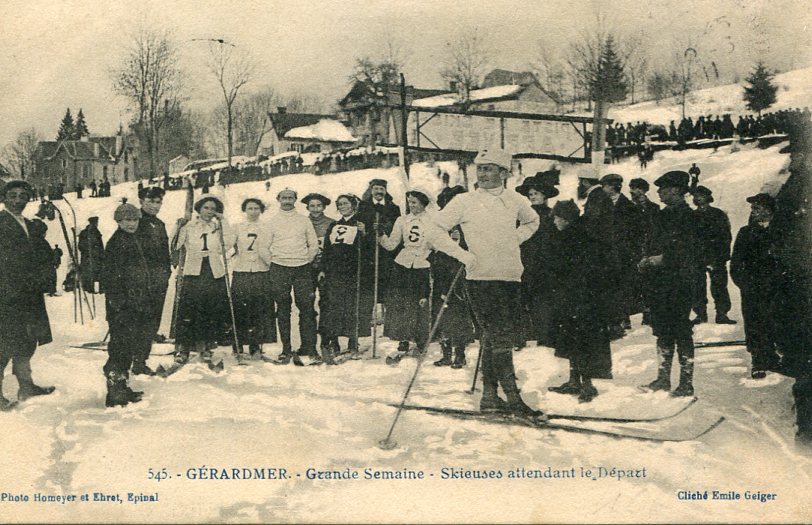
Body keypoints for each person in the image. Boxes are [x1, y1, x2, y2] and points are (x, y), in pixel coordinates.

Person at [432, 149, 543, 419]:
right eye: (480, 168)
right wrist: (463, 255)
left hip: (510, 276)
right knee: (500, 335)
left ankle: (490, 396)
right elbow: (434, 230)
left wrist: (513, 240)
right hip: (480, 278)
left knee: (496, 337)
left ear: (504, 173)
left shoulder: (515, 200)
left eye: (489, 168)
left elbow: (533, 221)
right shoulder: (464, 201)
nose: (482, 174)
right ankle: (512, 397)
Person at [638, 170, 700, 397]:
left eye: (663, 188)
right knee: (662, 329)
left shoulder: (690, 217)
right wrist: (646, 259)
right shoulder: (662, 216)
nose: (659, 192)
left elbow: (689, 250)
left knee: (681, 329)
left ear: (676, 190)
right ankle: (663, 378)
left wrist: (663, 259)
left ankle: (686, 382)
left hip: (680, 282)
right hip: (659, 282)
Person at [547, 199, 612, 402]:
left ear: (566, 219)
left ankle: (587, 385)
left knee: (583, 342)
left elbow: (584, 269)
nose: (555, 222)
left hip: (582, 299)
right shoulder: (567, 236)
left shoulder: (578, 238)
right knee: (572, 340)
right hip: (571, 298)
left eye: (557, 218)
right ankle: (574, 380)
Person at [0, 181, 55, 410]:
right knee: (4, 344)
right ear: (4, 198)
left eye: (23, 196)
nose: (17, 200)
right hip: (8, 295)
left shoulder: (26, 223)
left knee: (26, 341)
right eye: (12, 196)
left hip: (28, 294)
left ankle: (26, 385)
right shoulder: (2, 223)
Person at [100, 203, 154, 407]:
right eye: (127, 220)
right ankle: (115, 392)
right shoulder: (117, 243)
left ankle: (122, 386)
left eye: (135, 220)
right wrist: (119, 303)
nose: (132, 224)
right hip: (122, 306)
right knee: (120, 346)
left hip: (135, 302)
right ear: (118, 221)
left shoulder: (132, 239)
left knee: (128, 345)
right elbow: (110, 276)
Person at [378, 188, 440, 357]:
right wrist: (381, 235)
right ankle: (403, 338)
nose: (411, 206)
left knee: (421, 301)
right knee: (402, 302)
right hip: (403, 263)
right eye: (409, 202)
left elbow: (439, 243)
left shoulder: (433, 220)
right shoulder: (402, 220)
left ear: (423, 203)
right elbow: (391, 245)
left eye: (414, 202)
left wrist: (432, 248)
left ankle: (422, 339)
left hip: (423, 262)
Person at [173, 196, 234, 364]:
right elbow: (176, 245)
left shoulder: (217, 226)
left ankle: (206, 346)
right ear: (199, 209)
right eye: (206, 208)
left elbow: (227, 244)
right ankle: (183, 348)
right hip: (194, 270)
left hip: (213, 271)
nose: (209, 211)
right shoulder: (190, 225)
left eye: (213, 208)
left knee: (210, 309)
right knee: (189, 310)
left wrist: (224, 222)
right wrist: (180, 225)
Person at [730, 193, 781, 379]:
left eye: (757, 208)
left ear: (769, 210)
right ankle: (758, 360)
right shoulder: (745, 233)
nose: (753, 212)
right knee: (754, 323)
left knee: (775, 321)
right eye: (752, 209)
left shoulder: (782, 231)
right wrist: (745, 284)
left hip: (778, 287)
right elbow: (735, 264)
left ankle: (773, 356)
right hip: (753, 288)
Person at [266, 188, 320, 365]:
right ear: (278, 199)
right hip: (279, 268)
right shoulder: (272, 222)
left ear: (295, 200)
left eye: (290, 198)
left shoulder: (304, 221)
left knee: (306, 308)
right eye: (284, 198)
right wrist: (273, 262)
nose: (287, 201)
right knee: (283, 308)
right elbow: (263, 247)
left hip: (302, 268)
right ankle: (286, 349)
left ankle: (311, 348)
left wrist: (306, 259)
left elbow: (313, 244)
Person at [319, 194, 374, 363]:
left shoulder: (360, 223)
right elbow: (327, 249)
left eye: (346, 203)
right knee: (333, 306)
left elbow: (369, 249)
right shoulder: (334, 225)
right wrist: (322, 269)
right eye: (340, 204)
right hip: (335, 271)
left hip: (353, 271)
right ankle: (333, 341)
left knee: (352, 306)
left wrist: (365, 233)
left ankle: (352, 340)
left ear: (353, 205)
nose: (343, 206)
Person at [431, 185, 475, 369]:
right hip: (442, 269)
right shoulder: (440, 222)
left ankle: (460, 353)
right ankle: (446, 352)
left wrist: (462, 241)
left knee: (458, 312)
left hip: (459, 271)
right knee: (441, 311)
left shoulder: (468, 223)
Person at [514, 174, 559, 346]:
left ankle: (545, 335)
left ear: (544, 196)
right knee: (525, 298)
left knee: (543, 299)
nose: (533, 197)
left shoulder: (551, 215)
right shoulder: (524, 216)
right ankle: (525, 335)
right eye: (531, 194)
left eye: (536, 194)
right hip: (526, 261)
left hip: (545, 263)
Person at [230, 198, 276, 359]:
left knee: (258, 308)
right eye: (250, 208)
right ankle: (238, 343)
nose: (253, 211)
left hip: (260, 270)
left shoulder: (267, 227)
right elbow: (228, 243)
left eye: (256, 208)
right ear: (245, 210)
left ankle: (255, 344)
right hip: (241, 269)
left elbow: (270, 246)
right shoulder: (237, 227)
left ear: (261, 210)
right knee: (240, 308)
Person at [132, 187, 171, 375]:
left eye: (158, 202)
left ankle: (141, 360)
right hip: (139, 283)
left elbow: (165, 253)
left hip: (158, 282)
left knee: (151, 322)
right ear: (141, 201)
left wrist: (165, 274)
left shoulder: (160, 224)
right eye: (151, 201)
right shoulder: (134, 222)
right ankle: (133, 360)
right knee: (138, 321)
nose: (155, 205)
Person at [601, 173, 643, 333]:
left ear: (613, 187)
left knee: (624, 286)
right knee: (612, 286)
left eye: (605, 185)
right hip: (609, 253)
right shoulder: (604, 204)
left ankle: (624, 318)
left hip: (624, 254)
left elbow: (637, 232)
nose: (603, 189)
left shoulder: (629, 207)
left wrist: (632, 251)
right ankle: (616, 318)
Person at [690, 185, 736, 325]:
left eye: (701, 196)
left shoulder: (718, 214)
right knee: (697, 286)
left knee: (720, 286)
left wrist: (721, 256)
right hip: (697, 257)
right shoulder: (692, 216)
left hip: (716, 256)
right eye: (695, 196)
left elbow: (725, 236)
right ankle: (700, 314)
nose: (697, 198)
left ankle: (722, 313)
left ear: (708, 198)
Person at [357, 178, 401, 305]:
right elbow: (360, 224)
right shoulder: (363, 206)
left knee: (385, 278)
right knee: (369, 280)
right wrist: (366, 230)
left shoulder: (393, 207)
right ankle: (371, 311)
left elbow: (397, 226)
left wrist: (384, 227)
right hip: (369, 249)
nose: (379, 192)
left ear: (386, 191)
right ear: (371, 190)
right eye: (376, 189)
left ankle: (384, 309)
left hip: (386, 250)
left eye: (381, 189)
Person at [629, 178, 660, 325]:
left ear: (644, 190)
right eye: (632, 188)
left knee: (649, 282)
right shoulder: (627, 207)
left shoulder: (653, 208)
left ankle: (648, 313)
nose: (633, 191)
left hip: (647, 248)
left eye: (637, 188)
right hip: (632, 250)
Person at [78, 216, 105, 294]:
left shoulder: (83, 232)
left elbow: (80, 246)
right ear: (95, 223)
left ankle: (89, 288)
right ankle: (100, 289)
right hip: (95, 257)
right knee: (98, 272)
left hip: (86, 257)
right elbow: (100, 246)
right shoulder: (95, 232)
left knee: (89, 272)